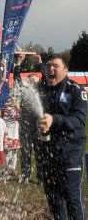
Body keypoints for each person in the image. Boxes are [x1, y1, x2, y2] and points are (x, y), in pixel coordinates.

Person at [38, 55, 87, 219]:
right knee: (54, 200)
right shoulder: (42, 90)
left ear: (65, 70)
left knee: (72, 198)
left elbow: (79, 121)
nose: (50, 69)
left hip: (70, 154)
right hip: (48, 155)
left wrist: (55, 120)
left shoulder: (75, 90)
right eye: (48, 65)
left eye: (55, 66)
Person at [3, 97, 21, 178]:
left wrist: (17, 108)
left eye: (15, 99)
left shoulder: (15, 108)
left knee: (14, 152)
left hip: (15, 134)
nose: (15, 100)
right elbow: (16, 117)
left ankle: (13, 168)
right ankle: (8, 168)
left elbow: (20, 118)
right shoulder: (8, 108)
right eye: (13, 99)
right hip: (9, 134)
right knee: (9, 152)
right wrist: (17, 108)